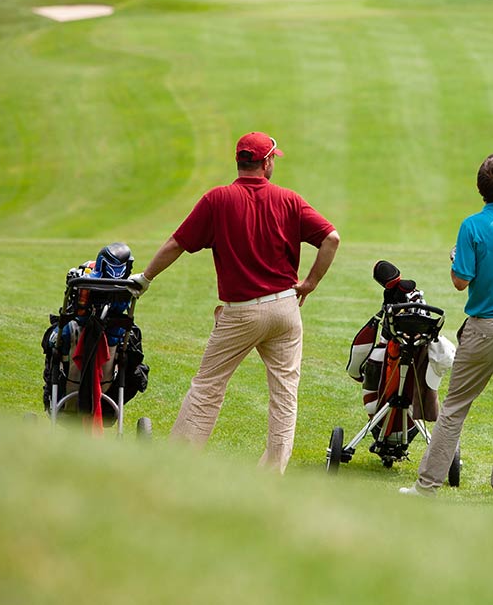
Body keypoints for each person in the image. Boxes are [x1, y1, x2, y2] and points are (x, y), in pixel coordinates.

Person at [129, 131, 340, 473]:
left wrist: (146, 277)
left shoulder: (218, 199)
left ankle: (176, 466)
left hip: (241, 312)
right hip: (285, 309)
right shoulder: (289, 200)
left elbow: (177, 243)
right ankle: (271, 476)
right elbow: (331, 238)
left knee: (208, 387)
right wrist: (310, 284)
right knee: (284, 394)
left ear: (240, 162)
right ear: (267, 162)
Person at [400, 153, 493, 504]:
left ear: (479, 189)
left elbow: (460, 281)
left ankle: (426, 487)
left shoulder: (472, 226)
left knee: (454, 408)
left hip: (485, 329)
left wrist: (456, 258)